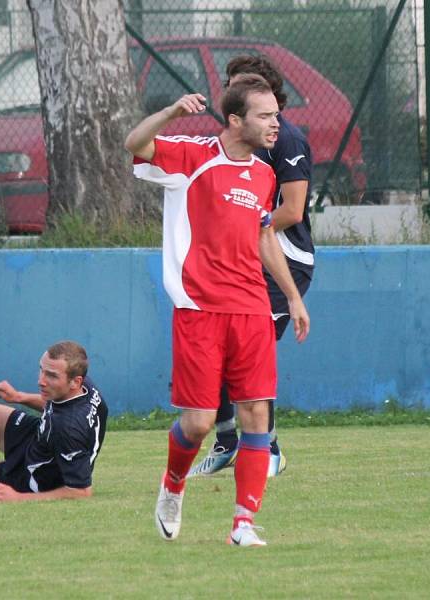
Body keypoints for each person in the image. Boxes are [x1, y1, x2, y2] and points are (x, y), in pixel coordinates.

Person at [125, 75, 310, 546]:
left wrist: (291, 295)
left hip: (252, 307)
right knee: (200, 421)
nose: (276, 124)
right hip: (200, 308)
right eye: (265, 116)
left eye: (276, 115)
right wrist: (170, 112)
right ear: (235, 119)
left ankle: (242, 525)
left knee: (256, 415)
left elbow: (264, 234)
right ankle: (172, 484)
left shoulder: (265, 173)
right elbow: (134, 143)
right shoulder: (192, 156)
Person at [189, 54, 315, 479]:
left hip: (286, 260)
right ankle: (227, 442)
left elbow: (292, 211)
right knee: (223, 355)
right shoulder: (230, 146)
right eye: (230, 86)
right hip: (242, 261)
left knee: (250, 355)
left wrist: (246, 225)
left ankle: (270, 448)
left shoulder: (288, 139)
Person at [0, 341, 108, 502]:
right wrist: (18, 397)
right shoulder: (85, 386)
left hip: (33, 474)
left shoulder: (69, 429)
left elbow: (81, 491)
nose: (41, 381)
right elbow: (56, 405)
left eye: (52, 376)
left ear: (75, 382)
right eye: (42, 370)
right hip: (37, 436)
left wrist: (17, 497)